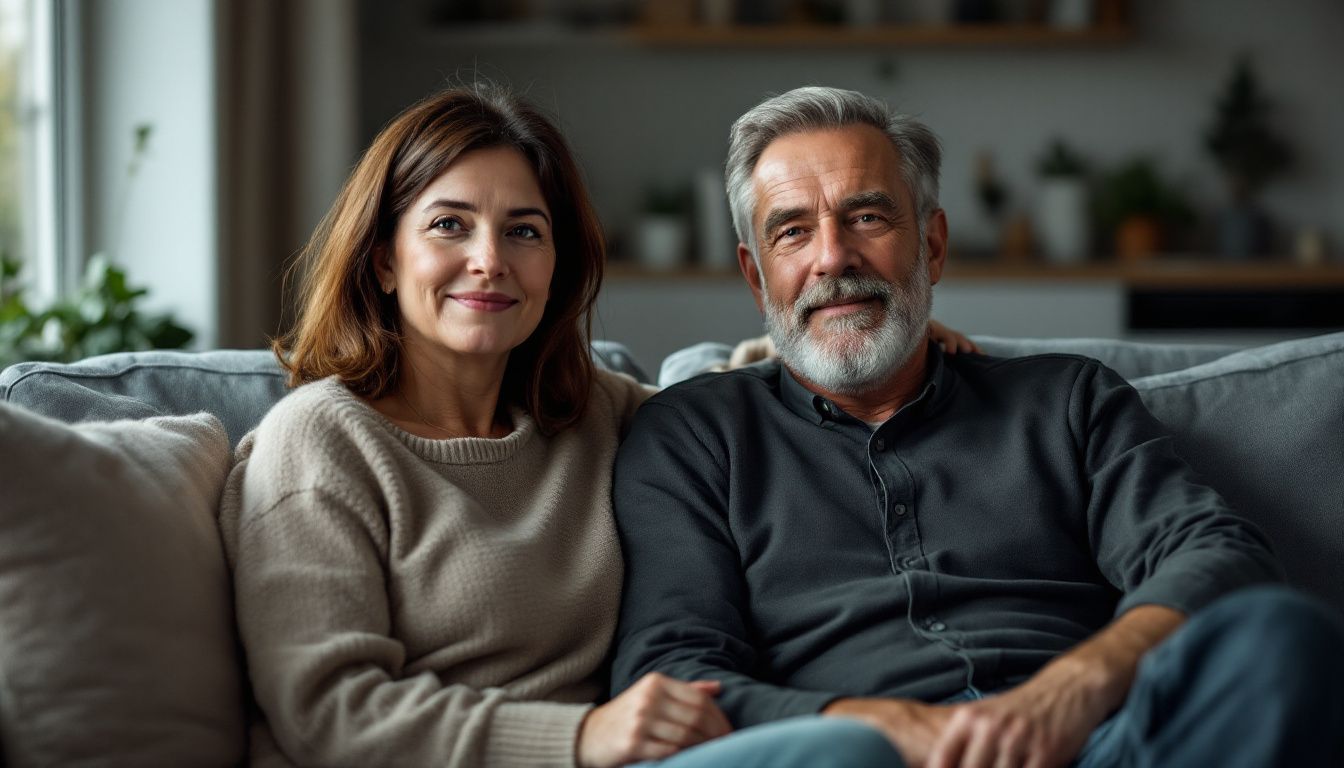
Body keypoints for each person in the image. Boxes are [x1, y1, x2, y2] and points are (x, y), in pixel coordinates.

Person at [217, 85, 976, 768]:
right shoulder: (317, 442)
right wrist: (579, 738)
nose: (489, 260)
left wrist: (869, 322)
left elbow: (743, 404)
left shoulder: (597, 418)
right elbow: (328, 713)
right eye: (449, 225)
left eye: (524, 231)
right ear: (384, 259)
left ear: (555, 264)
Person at [609, 86, 1344, 768]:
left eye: (867, 217)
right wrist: (874, 724)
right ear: (755, 274)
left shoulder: (1066, 399)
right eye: (793, 233)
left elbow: (1218, 552)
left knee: (1280, 639)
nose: (833, 256)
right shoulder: (693, 434)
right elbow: (674, 668)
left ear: (931, 245)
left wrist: (1075, 687)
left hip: (1098, 743)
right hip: (852, 756)